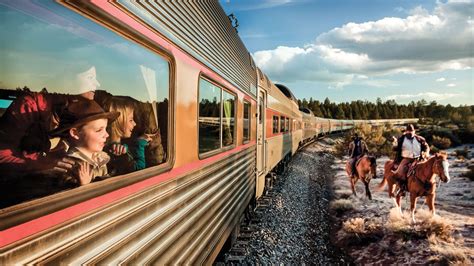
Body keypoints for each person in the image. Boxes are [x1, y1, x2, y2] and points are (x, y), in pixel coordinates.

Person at [0, 66, 101, 180]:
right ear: (70, 79)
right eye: (90, 77)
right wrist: (40, 165)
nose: (97, 84)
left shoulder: (81, 110)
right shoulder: (29, 106)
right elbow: (2, 154)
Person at [49, 99, 119, 185]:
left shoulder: (101, 157)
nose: (107, 135)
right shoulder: (69, 165)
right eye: (99, 130)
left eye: (105, 129)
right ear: (75, 133)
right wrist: (82, 185)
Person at [102, 97, 156, 176]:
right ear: (118, 122)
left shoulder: (121, 146)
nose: (135, 124)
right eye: (131, 120)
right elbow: (139, 170)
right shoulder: (117, 152)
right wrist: (140, 144)